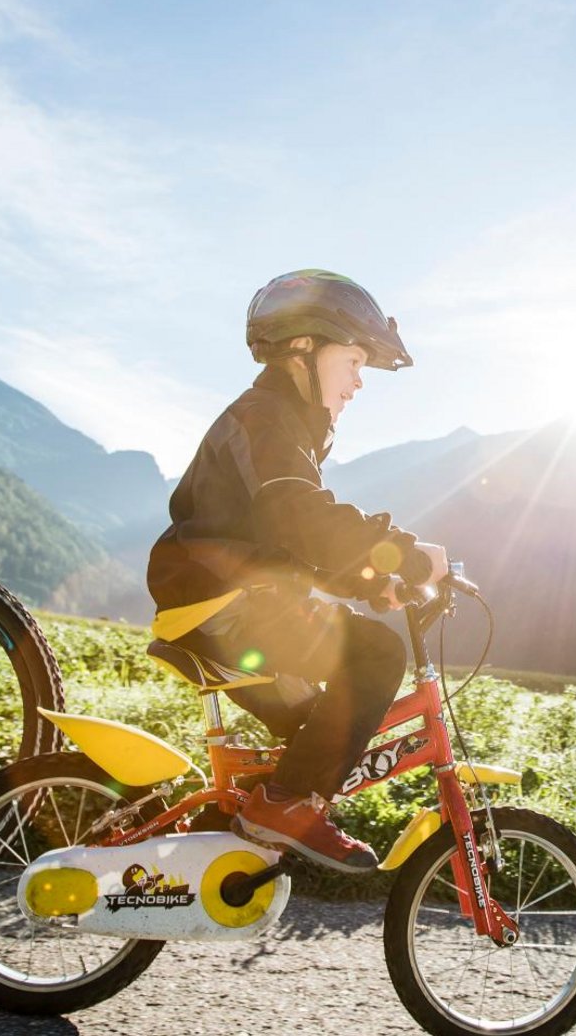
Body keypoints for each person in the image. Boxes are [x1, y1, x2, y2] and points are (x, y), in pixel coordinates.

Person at [147, 269, 446, 872]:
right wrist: (407, 553)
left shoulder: (280, 423)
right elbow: (299, 515)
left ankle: (230, 833)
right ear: (304, 348)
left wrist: (370, 580)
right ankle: (286, 807)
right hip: (225, 604)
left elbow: (288, 544)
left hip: (226, 599)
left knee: (320, 730)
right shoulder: (267, 418)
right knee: (376, 657)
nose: (360, 382)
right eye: (355, 361)